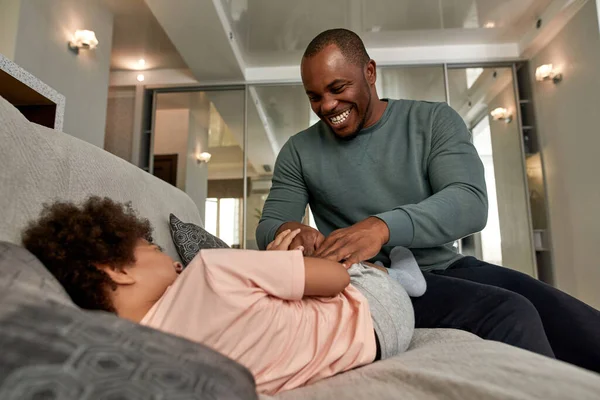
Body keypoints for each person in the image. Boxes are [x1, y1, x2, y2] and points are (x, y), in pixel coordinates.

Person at [256, 28, 600, 373]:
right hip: (373, 281)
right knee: (511, 312)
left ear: (370, 72)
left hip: (446, 266)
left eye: (337, 88)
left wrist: (382, 228)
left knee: (577, 322)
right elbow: (269, 225)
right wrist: (289, 231)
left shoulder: (434, 121)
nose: (327, 105)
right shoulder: (298, 152)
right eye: (314, 96)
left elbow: (469, 202)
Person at [21, 196, 416, 395]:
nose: (177, 264)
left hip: (377, 347)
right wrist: (274, 263)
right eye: (155, 250)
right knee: (344, 264)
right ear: (118, 269)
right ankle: (397, 274)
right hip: (379, 312)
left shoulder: (148, 361)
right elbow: (334, 281)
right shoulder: (209, 267)